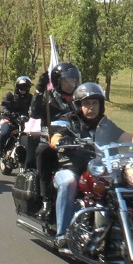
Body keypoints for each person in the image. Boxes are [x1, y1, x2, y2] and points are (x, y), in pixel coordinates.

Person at [48, 82, 133, 249]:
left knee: (130, 183)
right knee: (68, 182)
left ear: (100, 105)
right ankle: (62, 234)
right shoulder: (69, 121)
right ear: (78, 105)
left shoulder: (105, 123)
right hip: (71, 168)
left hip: (100, 169)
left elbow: (126, 136)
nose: (91, 107)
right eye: (86, 103)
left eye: (95, 103)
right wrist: (59, 140)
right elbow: (56, 136)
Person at [30, 62, 81, 220]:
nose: (71, 83)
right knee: (43, 152)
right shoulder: (48, 97)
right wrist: (39, 91)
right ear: (58, 81)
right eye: (67, 80)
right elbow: (35, 113)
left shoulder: (80, 98)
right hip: (52, 138)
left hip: (78, 140)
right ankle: (45, 200)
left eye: (73, 80)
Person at [0, 75, 33, 158]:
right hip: (10, 119)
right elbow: (3, 105)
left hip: (24, 121)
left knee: (34, 135)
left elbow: (35, 107)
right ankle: (0, 148)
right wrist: (6, 111)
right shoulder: (10, 95)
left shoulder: (30, 97)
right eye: (21, 87)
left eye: (26, 87)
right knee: (5, 132)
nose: (23, 89)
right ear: (17, 86)